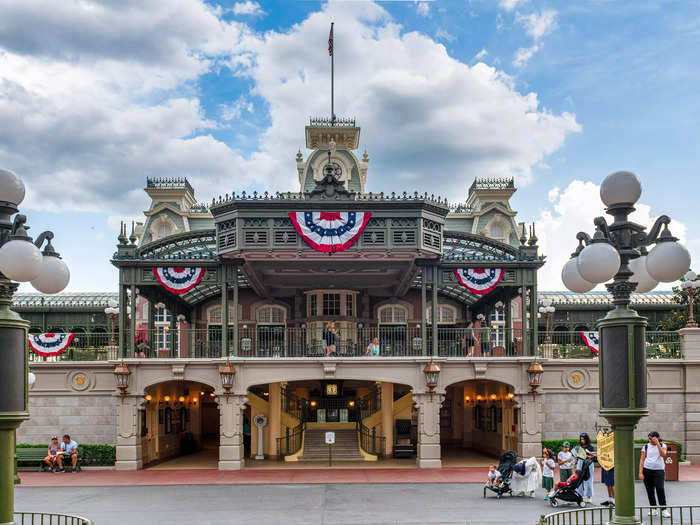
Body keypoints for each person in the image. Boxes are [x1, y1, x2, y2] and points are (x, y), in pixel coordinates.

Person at [639, 431, 671, 518]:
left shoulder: (662, 445)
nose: (649, 440)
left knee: (660, 488)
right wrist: (641, 472)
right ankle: (653, 508)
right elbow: (642, 460)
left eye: (651, 438)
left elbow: (663, 454)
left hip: (659, 471)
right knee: (650, 490)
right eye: (649, 438)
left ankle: (664, 509)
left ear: (656, 438)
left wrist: (657, 443)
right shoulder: (645, 446)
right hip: (647, 470)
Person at [572, 433, 596, 503]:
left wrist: (588, 456)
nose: (582, 440)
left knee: (589, 480)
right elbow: (576, 456)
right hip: (580, 463)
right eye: (581, 439)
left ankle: (589, 496)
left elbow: (593, 457)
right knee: (579, 479)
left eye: (583, 439)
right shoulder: (579, 446)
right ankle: (580, 495)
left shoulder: (590, 447)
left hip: (588, 464)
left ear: (586, 439)